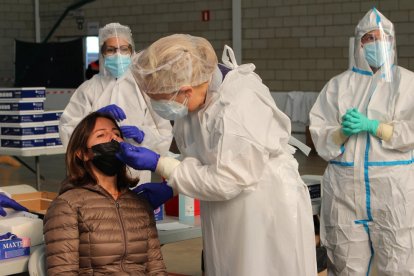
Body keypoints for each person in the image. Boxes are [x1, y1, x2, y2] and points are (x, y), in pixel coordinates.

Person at [116, 34, 317, 275]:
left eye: (161, 101)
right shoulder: (194, 103)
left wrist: (162, 165)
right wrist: (172, 186)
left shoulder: (238, 105)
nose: (161, 108)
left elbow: (226, 179)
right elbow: (207, 160)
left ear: (186, 90)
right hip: (229, 208)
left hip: (262, 210)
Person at [309, 8, 414, 275]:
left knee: (399, 264)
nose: (378, 43)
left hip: (392, 194)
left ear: (392, 42)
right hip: (344, 195)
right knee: (345, 266)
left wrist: (376, 127)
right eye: (370, 38)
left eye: (384, 37)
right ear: (359, 44)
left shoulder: (407, 83)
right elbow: (320, 134)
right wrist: (341, 133)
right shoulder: (338, 86)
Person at [43, 112, 168, 275]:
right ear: (83, 153)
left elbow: (156, 268)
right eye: (101, 135)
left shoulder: (140, 205)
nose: (113, 138)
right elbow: (62, 272)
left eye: (117, 134)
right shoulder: (67, 205)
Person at [59, 22, 173, 183]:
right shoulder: (89, 89)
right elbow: (68, 128)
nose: (118, 54)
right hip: (96, 172)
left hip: (136, 173)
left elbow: (164, 133)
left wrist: (143, 136)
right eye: (111, 50)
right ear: (103, 53)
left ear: (132, 52)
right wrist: (96, 117)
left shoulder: (144, 89)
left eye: (123, 49)